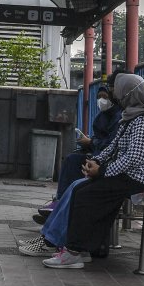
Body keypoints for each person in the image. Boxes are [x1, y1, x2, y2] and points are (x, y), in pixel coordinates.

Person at [41, 72, 144, 269]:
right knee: (80, 188)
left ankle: (74, 251)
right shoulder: (131, 118)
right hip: (129, 175)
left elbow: (134, 158)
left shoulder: (143, 121)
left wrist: (102, 171)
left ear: (129, 95)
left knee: (87, 194)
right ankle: (82, 249)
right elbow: (113, 147)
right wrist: (95, 161)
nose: (116, 97)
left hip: (141, 178)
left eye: (120, 93)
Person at [37, 85, 121, 217]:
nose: (101, 101)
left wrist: (91, 143)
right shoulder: (102, 116)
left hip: (107, 160)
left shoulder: (118, 116)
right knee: (72, 158)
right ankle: (60, 201)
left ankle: (64, 205)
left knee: (75, 164)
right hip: (99, 154)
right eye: (99, 97)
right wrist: (89, 143)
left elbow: (111, 145)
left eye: (105, 97)